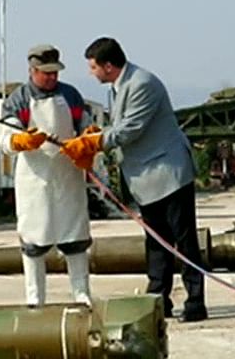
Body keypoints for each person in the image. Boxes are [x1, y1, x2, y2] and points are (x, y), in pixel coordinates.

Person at [60, 37, 208, 322]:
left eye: (93, 67)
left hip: (168, 173)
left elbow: (131, 129)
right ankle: (158, 300)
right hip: (146, 179)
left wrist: (94, 142)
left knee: (184, 241)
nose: (91, 72)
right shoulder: (118, 87)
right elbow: (119, 125)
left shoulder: (142, 84)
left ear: (108, 66)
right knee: (156, 242)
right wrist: (97, 133)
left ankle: (195, 302)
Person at [0, 44, 93, 307]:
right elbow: (6, 138)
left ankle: (82, 294)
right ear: (33, 70)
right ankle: (35, 298)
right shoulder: (18, 99)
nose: (52, 77)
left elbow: (86, 126)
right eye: (46, 73)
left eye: (55, 73)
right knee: (33, 238)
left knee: (75, 236)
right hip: (34, 178)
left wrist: (87, 143)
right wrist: (20, 141)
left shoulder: (71, 95)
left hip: (68, 174)